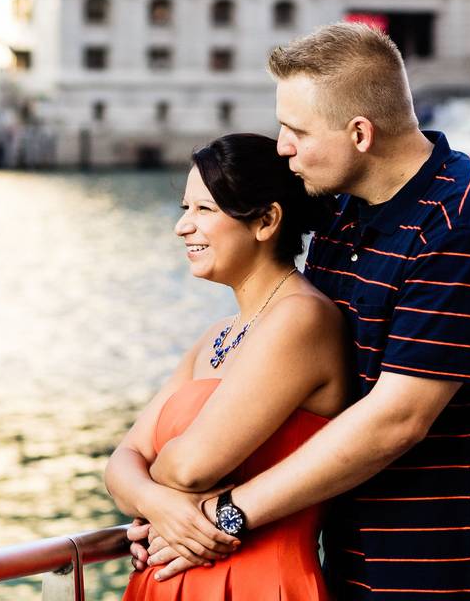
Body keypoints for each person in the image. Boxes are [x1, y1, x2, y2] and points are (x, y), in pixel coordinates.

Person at [127, 22, 470, 599]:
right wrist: (165, 507)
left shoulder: (467, 222)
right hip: (356, 563)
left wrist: (220, 518)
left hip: (468, 570)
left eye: (295, 130)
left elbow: (397, 418)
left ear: (360, 133)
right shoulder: (341, 218)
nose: (282, 146)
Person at [104, 133, 350, 599]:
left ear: (265, 221)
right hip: (169, 573)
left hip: (255, 580)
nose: (182, 226)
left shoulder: (302, 318)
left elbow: (191, 466)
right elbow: (120, 462)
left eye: (204, 210)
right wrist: (159, 504)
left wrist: (148, 493)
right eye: (184, 208)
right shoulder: (214, 336)